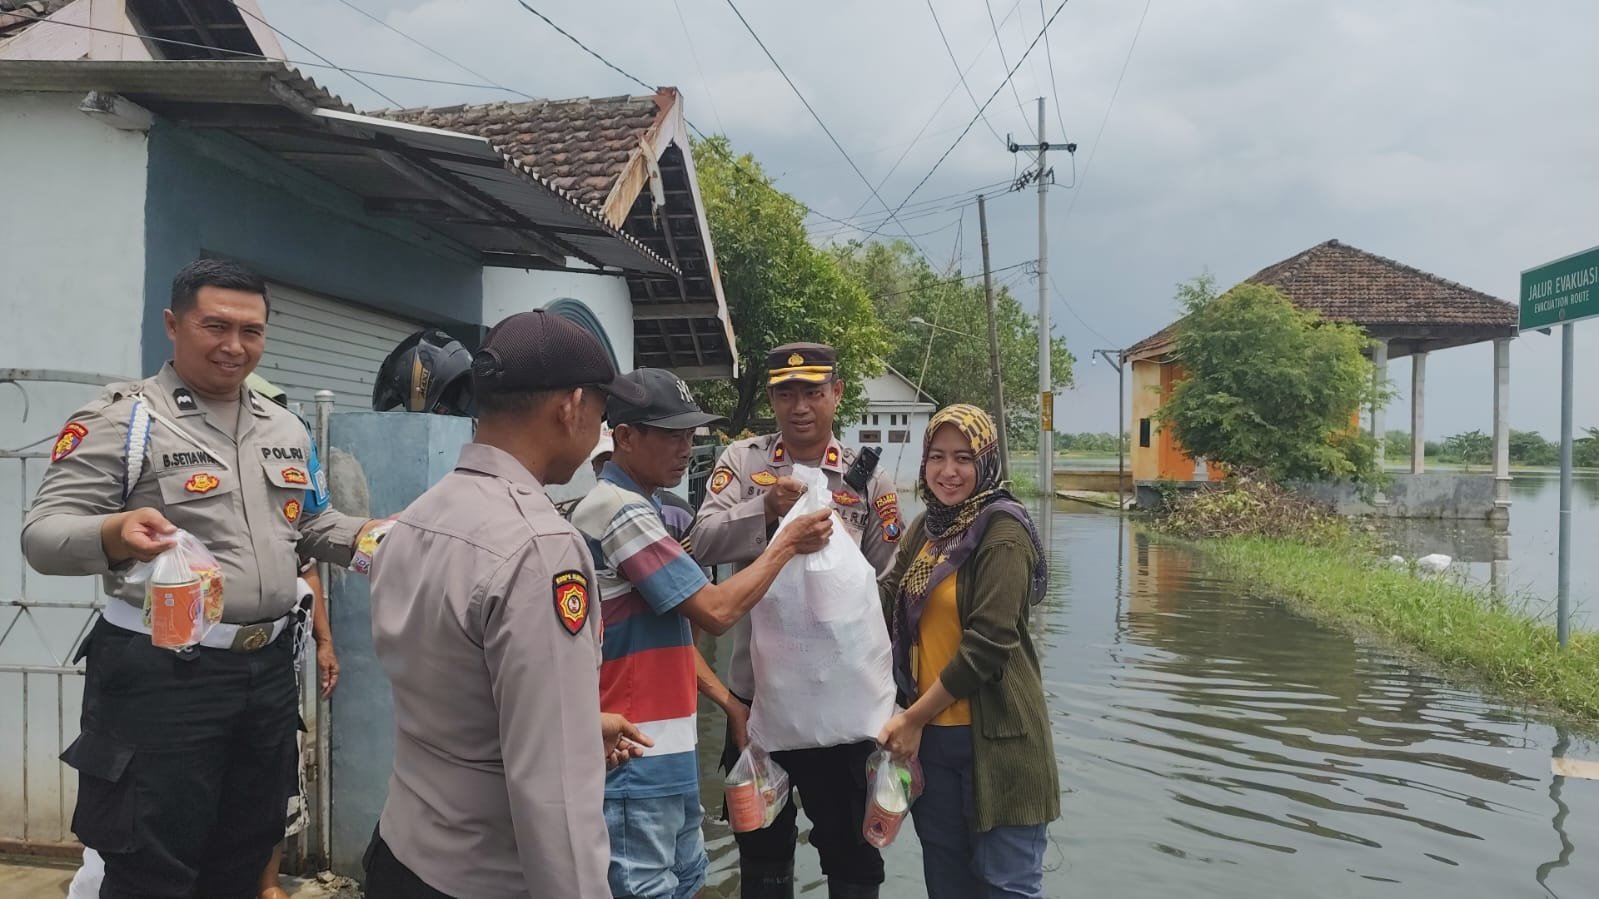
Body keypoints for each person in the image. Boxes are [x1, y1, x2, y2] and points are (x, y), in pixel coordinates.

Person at [22, 259, 374, 899]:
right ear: (173, 324)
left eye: (251, 331)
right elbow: (43, 535)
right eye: (216, 326)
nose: (234, 346)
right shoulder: (124, 419)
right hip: (163, 672)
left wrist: (381, 540)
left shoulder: (285, 427)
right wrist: (114, 532)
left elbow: (310, 525)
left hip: (266, 671)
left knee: (245, 854)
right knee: (151, 867)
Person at [364, 309, 652, 898]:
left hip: (402, 849)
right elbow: (555, 791)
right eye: (602, 412)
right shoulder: (541, 547)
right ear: (572, 406)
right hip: (484, 875)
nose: (599, 429)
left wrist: (576, 726)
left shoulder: (418, 517)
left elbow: (454, 691)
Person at [570, 368, 834, 899]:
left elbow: (672, 637)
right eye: (672, 435)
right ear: (625, 437)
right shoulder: (619, 511)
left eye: (691, 435)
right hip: (634, 762)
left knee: (689, 881)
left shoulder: (645, 508)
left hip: (666, 756)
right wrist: (786, 543)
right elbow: (716, 610)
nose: (686, 449)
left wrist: (729, 704)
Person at [689, 343, 901, 899]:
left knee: (853, 856)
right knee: (761, 851)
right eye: (786, 393)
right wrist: (764, 510)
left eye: (813, 391)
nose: (800, 406)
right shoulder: (744, 463)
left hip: (845, 709)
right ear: (771, 398)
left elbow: (887, 585)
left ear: (837, 392)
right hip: (757, 704)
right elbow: (701, 540)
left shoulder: (867, 480)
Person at [875, 404, 1059, 899]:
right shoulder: (928, 530)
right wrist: (831, 544)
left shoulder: (1003, 531)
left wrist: (911, 718)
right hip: (932, 746)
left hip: (1000, 741)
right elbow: (884, 600)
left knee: (1006, 885)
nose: (948, 471)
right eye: (937, 456)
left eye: (963, 457)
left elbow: (987, 645)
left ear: (987, 460)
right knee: (946, 883)